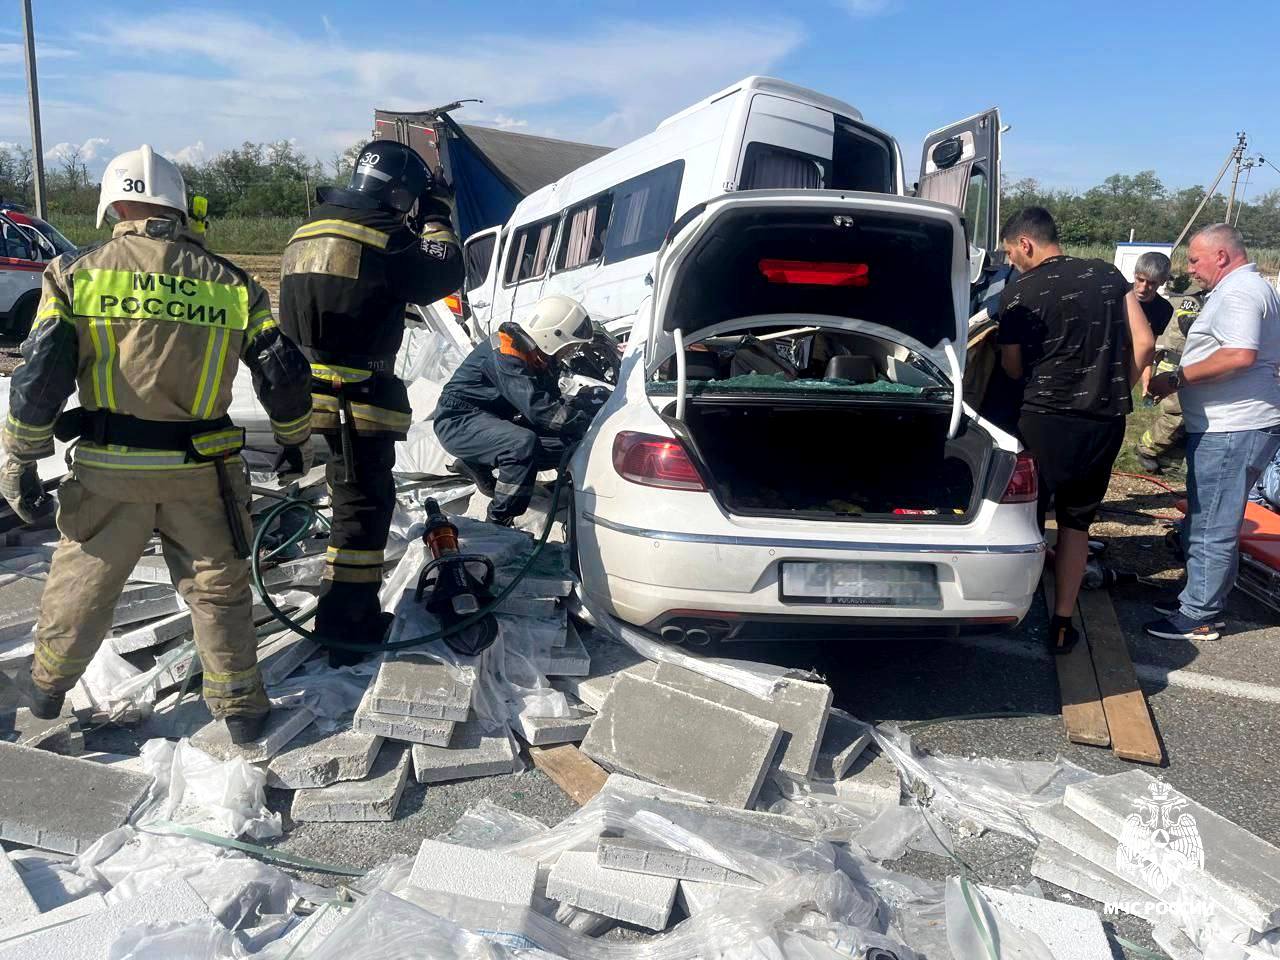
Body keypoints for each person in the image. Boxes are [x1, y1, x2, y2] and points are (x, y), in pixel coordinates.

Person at [0, 145, 313, 742]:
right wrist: (296, 438)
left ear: (112, 206)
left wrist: (21, 456)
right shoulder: (233, 284)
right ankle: (242, 709)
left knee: (83, 582)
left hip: (107, 472)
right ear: (178, 205)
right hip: (203, 474)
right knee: (218, 587)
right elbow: (282, 371)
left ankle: (46, 690)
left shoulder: (74, 275)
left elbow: (40, 374)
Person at [279, 140, 463, 664]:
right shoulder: (382, 237)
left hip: (308, 393)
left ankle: (342, 611)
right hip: (356, 399)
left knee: (345, 506)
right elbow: (445, 270)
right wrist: (435, 214)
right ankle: (347, 628)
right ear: (401, 193)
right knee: (362, 513)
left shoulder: (308, 230)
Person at [995, 206, 1154, 654]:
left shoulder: (1020, 291)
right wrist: (1117, 384)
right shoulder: (1109, 277)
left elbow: (1011, 367)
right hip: (1104, 422)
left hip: (1044, 418)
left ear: (1025, 244)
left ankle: (1014, 605)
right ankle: (1063, 621)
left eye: (1010, 253)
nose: (1010, 262)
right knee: (1076, 521)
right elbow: (1144, 342)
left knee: (1028, 514)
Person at [1145, 224, 1280, 641]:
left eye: (1194, 259)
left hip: (1233, 426)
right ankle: (1196, 596)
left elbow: (1239, 354)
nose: (1190, 269)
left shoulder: (1241, 291)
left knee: (1212, 524)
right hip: (1231, 423)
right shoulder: (1249, 288)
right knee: (1207, 517)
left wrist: (1178, 379)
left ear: (1221, 256)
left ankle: (1200, 613)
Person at [434, 295, 599, 526]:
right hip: (458, 420)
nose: (569, 353)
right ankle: (498, 519)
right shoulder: (507, 352)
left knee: (567, 444)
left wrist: (580, 411)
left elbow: (550, 406)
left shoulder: (540, 357)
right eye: (569, 347)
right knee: (521, 444)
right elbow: (540, 411)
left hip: (490, 419)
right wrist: (588, 423)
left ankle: (478, 463)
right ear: (552, 337)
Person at [1136, 289, 1204, 473]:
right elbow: (1187, 323)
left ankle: (1169, 462)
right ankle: (1146, 447)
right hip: (1174, 366)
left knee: (1189, 418)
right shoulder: (1193, 300)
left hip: (1191, 368)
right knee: (1176, 415)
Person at [1132, 251, 1174, 337]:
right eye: (1140, 280)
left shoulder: (1164, 309)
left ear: (1163, 281)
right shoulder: (1117, 296)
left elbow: (1151, 343)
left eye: (1151, 283)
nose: (1143, 288)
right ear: (1134, 275)